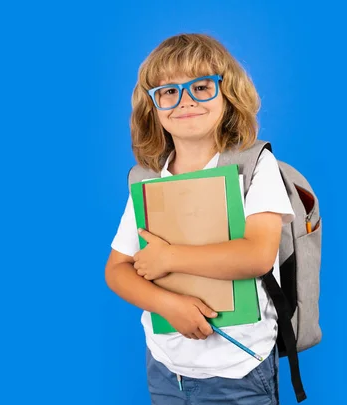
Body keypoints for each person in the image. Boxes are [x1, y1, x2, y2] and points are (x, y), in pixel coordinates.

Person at [105, 33, 295, 405]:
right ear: (153, 106)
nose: (185, 100)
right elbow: (116, 269)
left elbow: (256, 255)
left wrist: (170, 257)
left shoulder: (255, 165)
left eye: (202, 87)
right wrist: (167, 305)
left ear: (228, 94)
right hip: (166, 367)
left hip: (239, 367)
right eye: (169, 92)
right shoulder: (146, 178)